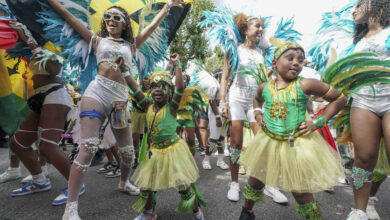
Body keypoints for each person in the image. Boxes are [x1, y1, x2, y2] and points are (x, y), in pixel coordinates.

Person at [45, 0, 185, 218]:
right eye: (108, 16)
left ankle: (124, 182)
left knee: (128, 154)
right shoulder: (96, 40)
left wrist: (168, 6)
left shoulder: (131, 46)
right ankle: (71, 208)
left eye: (117, 17)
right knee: (89, 147)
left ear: (125, 24)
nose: (111, 19)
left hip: (120, 99)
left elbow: (151, 28)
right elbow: (68, 17)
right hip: (97, 92)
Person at [238, 42, 346, 220]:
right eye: (290, 58)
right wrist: (258, 114)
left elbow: (340, 98)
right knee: (256, 180)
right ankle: (247, 211)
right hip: (268, 141)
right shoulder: (264, 87)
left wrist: (319, 121)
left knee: (301, 190)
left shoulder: (306, 84)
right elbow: (256, 101)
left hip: (296, 144)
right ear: (274, 63)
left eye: (301, 60)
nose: (296, 63)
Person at [128, 53, 205, 220]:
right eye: (154, 86)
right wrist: (124, 71)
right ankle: (149, 212)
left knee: (183, 185)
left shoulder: (172, 106)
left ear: (169, 91)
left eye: (163, 86)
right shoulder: (147, 105)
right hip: (154, 151)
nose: (158, 90)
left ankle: (196, 211)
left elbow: (180, 87)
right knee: (146, 185)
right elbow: (135, 89)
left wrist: (176, 64)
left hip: (173, 150)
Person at [220, 13, 287, 203]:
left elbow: (260, 80)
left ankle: (269, 185)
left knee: (265, 142)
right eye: (257, 26)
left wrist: (271, 71)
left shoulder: (261, 53)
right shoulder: (234, 49)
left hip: (255, 102)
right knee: (236, 143)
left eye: (262, 27)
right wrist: (222, 101)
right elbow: (225, 77)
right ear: (245, 29)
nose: (260, 30)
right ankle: (234, 183)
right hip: (236, 99)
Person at [7, 21, 75, 206]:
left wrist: (27, 38)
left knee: (47, 147)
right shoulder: (36, 48)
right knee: (18, 143)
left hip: (55, 96)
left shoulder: (55, 46)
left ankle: (75, 186)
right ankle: (39, 181)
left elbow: (54, 69)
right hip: (40, 99)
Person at [347, 0, 390, 219]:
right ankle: (359, 212)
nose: (353, 10)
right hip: (363, 100)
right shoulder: (357, 40)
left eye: (358, 4)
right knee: (363, 159)